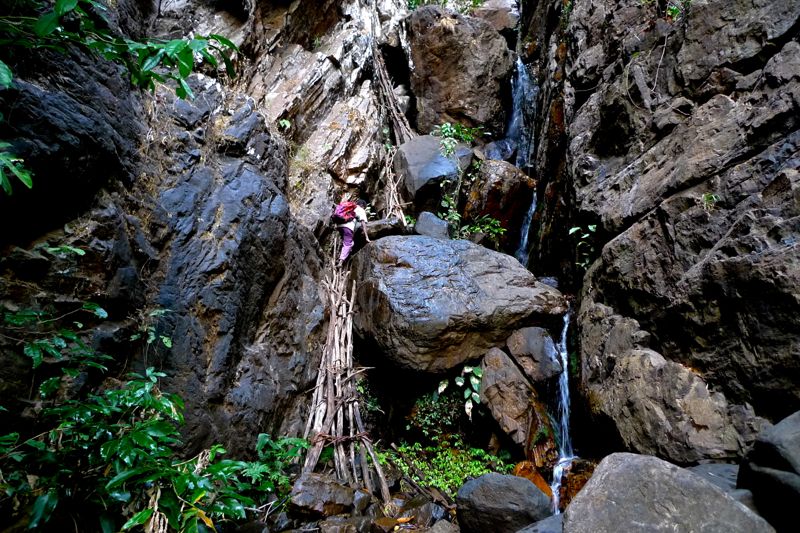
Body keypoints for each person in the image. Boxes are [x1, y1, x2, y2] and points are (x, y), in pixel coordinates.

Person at [337, 198, 371, 265]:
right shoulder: (361, 210)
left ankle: (341, 254)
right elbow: (363, 223)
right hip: (348, 228)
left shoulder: (350, 207)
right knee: (348, 244)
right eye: (364, 208)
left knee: (348, 242)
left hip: (339, 225)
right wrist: (367, 237)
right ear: (362, 206)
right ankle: (341, 261)